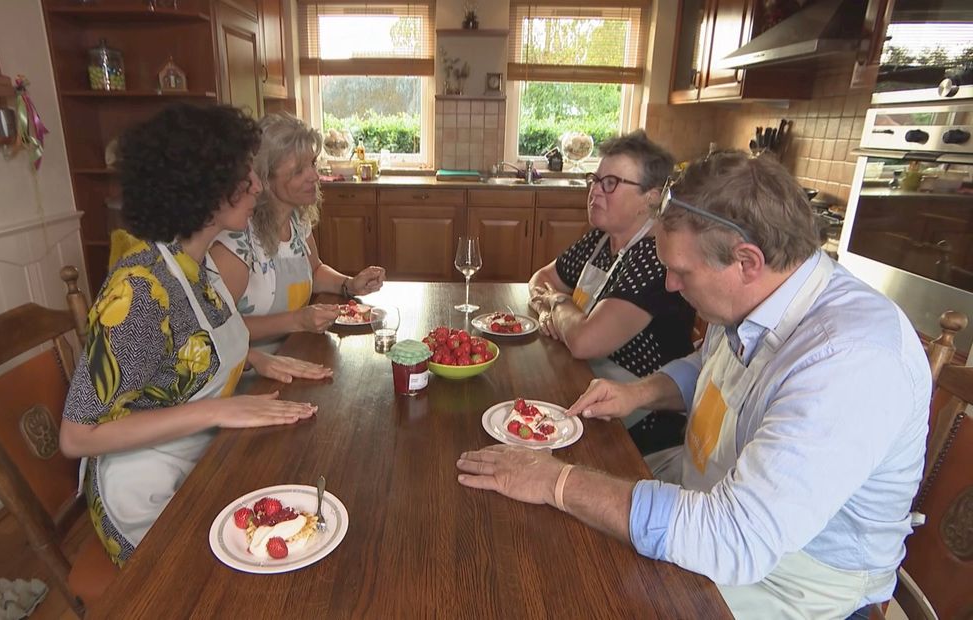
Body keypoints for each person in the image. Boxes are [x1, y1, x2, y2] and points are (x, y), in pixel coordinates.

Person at [457, 151, 931, 619]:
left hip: (789, 580)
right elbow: (705, 366)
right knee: (544, 544)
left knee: (573, 585)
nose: (668, 285)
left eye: (681, 271)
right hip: (704, 496)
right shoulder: (761, 300)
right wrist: (638, 394)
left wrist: (554, 481)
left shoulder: (850, 359)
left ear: (747, 261)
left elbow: (733, 538)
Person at [60, 104, 331, 566]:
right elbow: (78, 437)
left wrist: (257, 359)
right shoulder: (140, 291)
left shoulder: (196, 262)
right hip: (145, 494)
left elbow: (198, 346)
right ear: (205, 187)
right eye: (246, 176)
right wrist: (221, 409)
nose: (259, 186)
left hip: (201, 460)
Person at [528, 130, 695, 453]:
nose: (595, 192)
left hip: (640, 421)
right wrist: (549, 310)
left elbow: (584, 341)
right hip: (587, 383)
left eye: (611, 184)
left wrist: (557, 301)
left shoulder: (655, 258)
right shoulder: (601, 240)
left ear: (652, 196)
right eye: (595, 179)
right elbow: (541, 278)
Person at [209, 113, 385, 351]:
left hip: (296, 354)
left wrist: (349, 284)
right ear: (265, 179)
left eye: (312, 164)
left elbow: (314, 270)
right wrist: (297, 321)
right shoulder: (236, 241)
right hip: (250, 375)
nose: (314, 175)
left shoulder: (297, 221)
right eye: (299, 170)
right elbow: (214, 330)